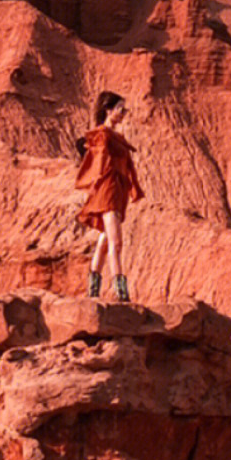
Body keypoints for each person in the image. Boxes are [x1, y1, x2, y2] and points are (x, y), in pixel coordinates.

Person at [75, 91, 144, 302]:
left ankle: (92, 290)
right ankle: (120, 290)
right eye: (121, 109)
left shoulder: (116, 137)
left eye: (125, 110)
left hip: (117, 191)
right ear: (109, 110)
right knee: (116, 242)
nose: (124, 113)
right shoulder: (103, 134)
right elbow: (99, 159)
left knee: (105, 241)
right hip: (108, 190)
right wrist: (96, 179)